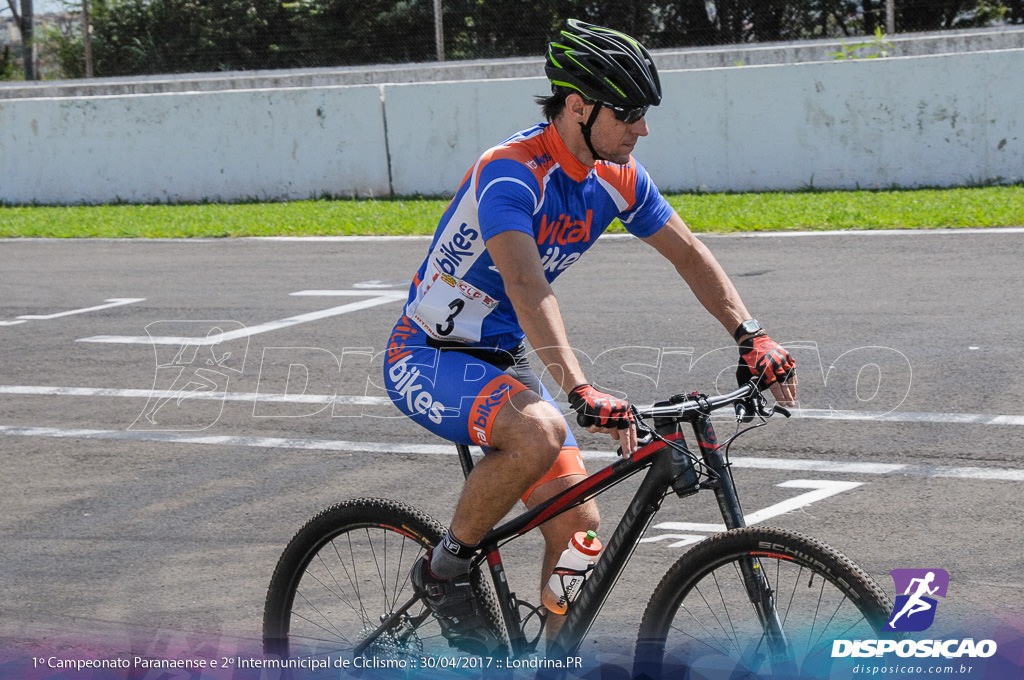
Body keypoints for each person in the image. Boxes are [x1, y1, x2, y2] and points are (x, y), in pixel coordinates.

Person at [382, 18, 797, 652]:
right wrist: (579, 389)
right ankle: (444, 570)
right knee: (543, 430)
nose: (643, 128)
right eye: (629, 113)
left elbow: (688, 254)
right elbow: (526, 288)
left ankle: (552, 658)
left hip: (503, 358)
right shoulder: (510, 173)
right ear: (578, 107)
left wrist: (752, 335)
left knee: (579, 530)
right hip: (430, 352)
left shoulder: (617, 175)